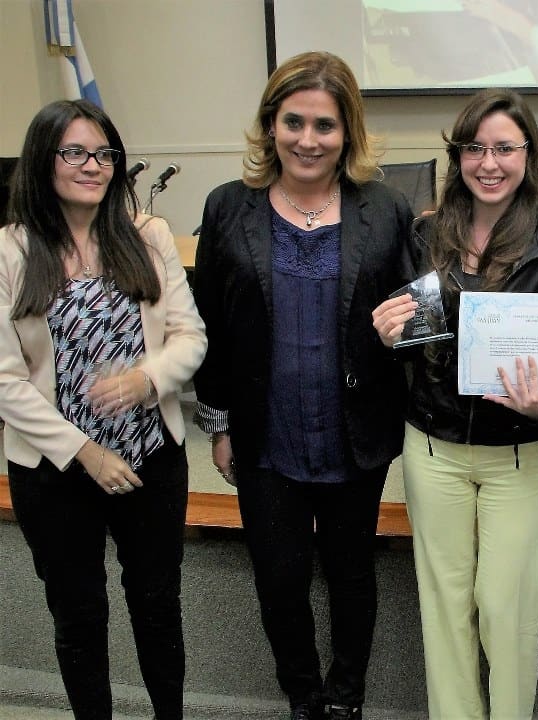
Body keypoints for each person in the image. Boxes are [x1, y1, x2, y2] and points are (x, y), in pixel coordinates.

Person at [191, 52, 411, 720]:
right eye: (294, 122)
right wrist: (219, 423)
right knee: (280, 582)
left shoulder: (386, 208)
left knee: (350, 576)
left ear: (348, 132)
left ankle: (346, 698)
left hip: (354, 431)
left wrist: (413, 328)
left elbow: (418, 309)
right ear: (270, 124)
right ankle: (304, 698)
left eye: (325, 125)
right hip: (265, 435)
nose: (308, 140)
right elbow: (211, 326)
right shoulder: (229, 206)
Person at [371, 88, 538, 719]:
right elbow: (416, 348)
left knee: (506, 605)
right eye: (475, 148)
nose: (489, 163)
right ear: (458, 154)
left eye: (504, 148)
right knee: (445, 605)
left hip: (518, 455)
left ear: (529, 156)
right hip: (433, 450)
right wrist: (389, 338)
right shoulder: (426, 235)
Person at [0, 99, 207, 720]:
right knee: (78, 614)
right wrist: (85, 451)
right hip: (55, 469)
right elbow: (5, 379)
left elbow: (189, 336)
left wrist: (147, 380)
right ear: (43, 160)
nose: (93, 165)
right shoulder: (11, 250)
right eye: (74, 152)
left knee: (156, 606)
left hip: (150, 459)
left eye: (104, 153)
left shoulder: (147, 235)